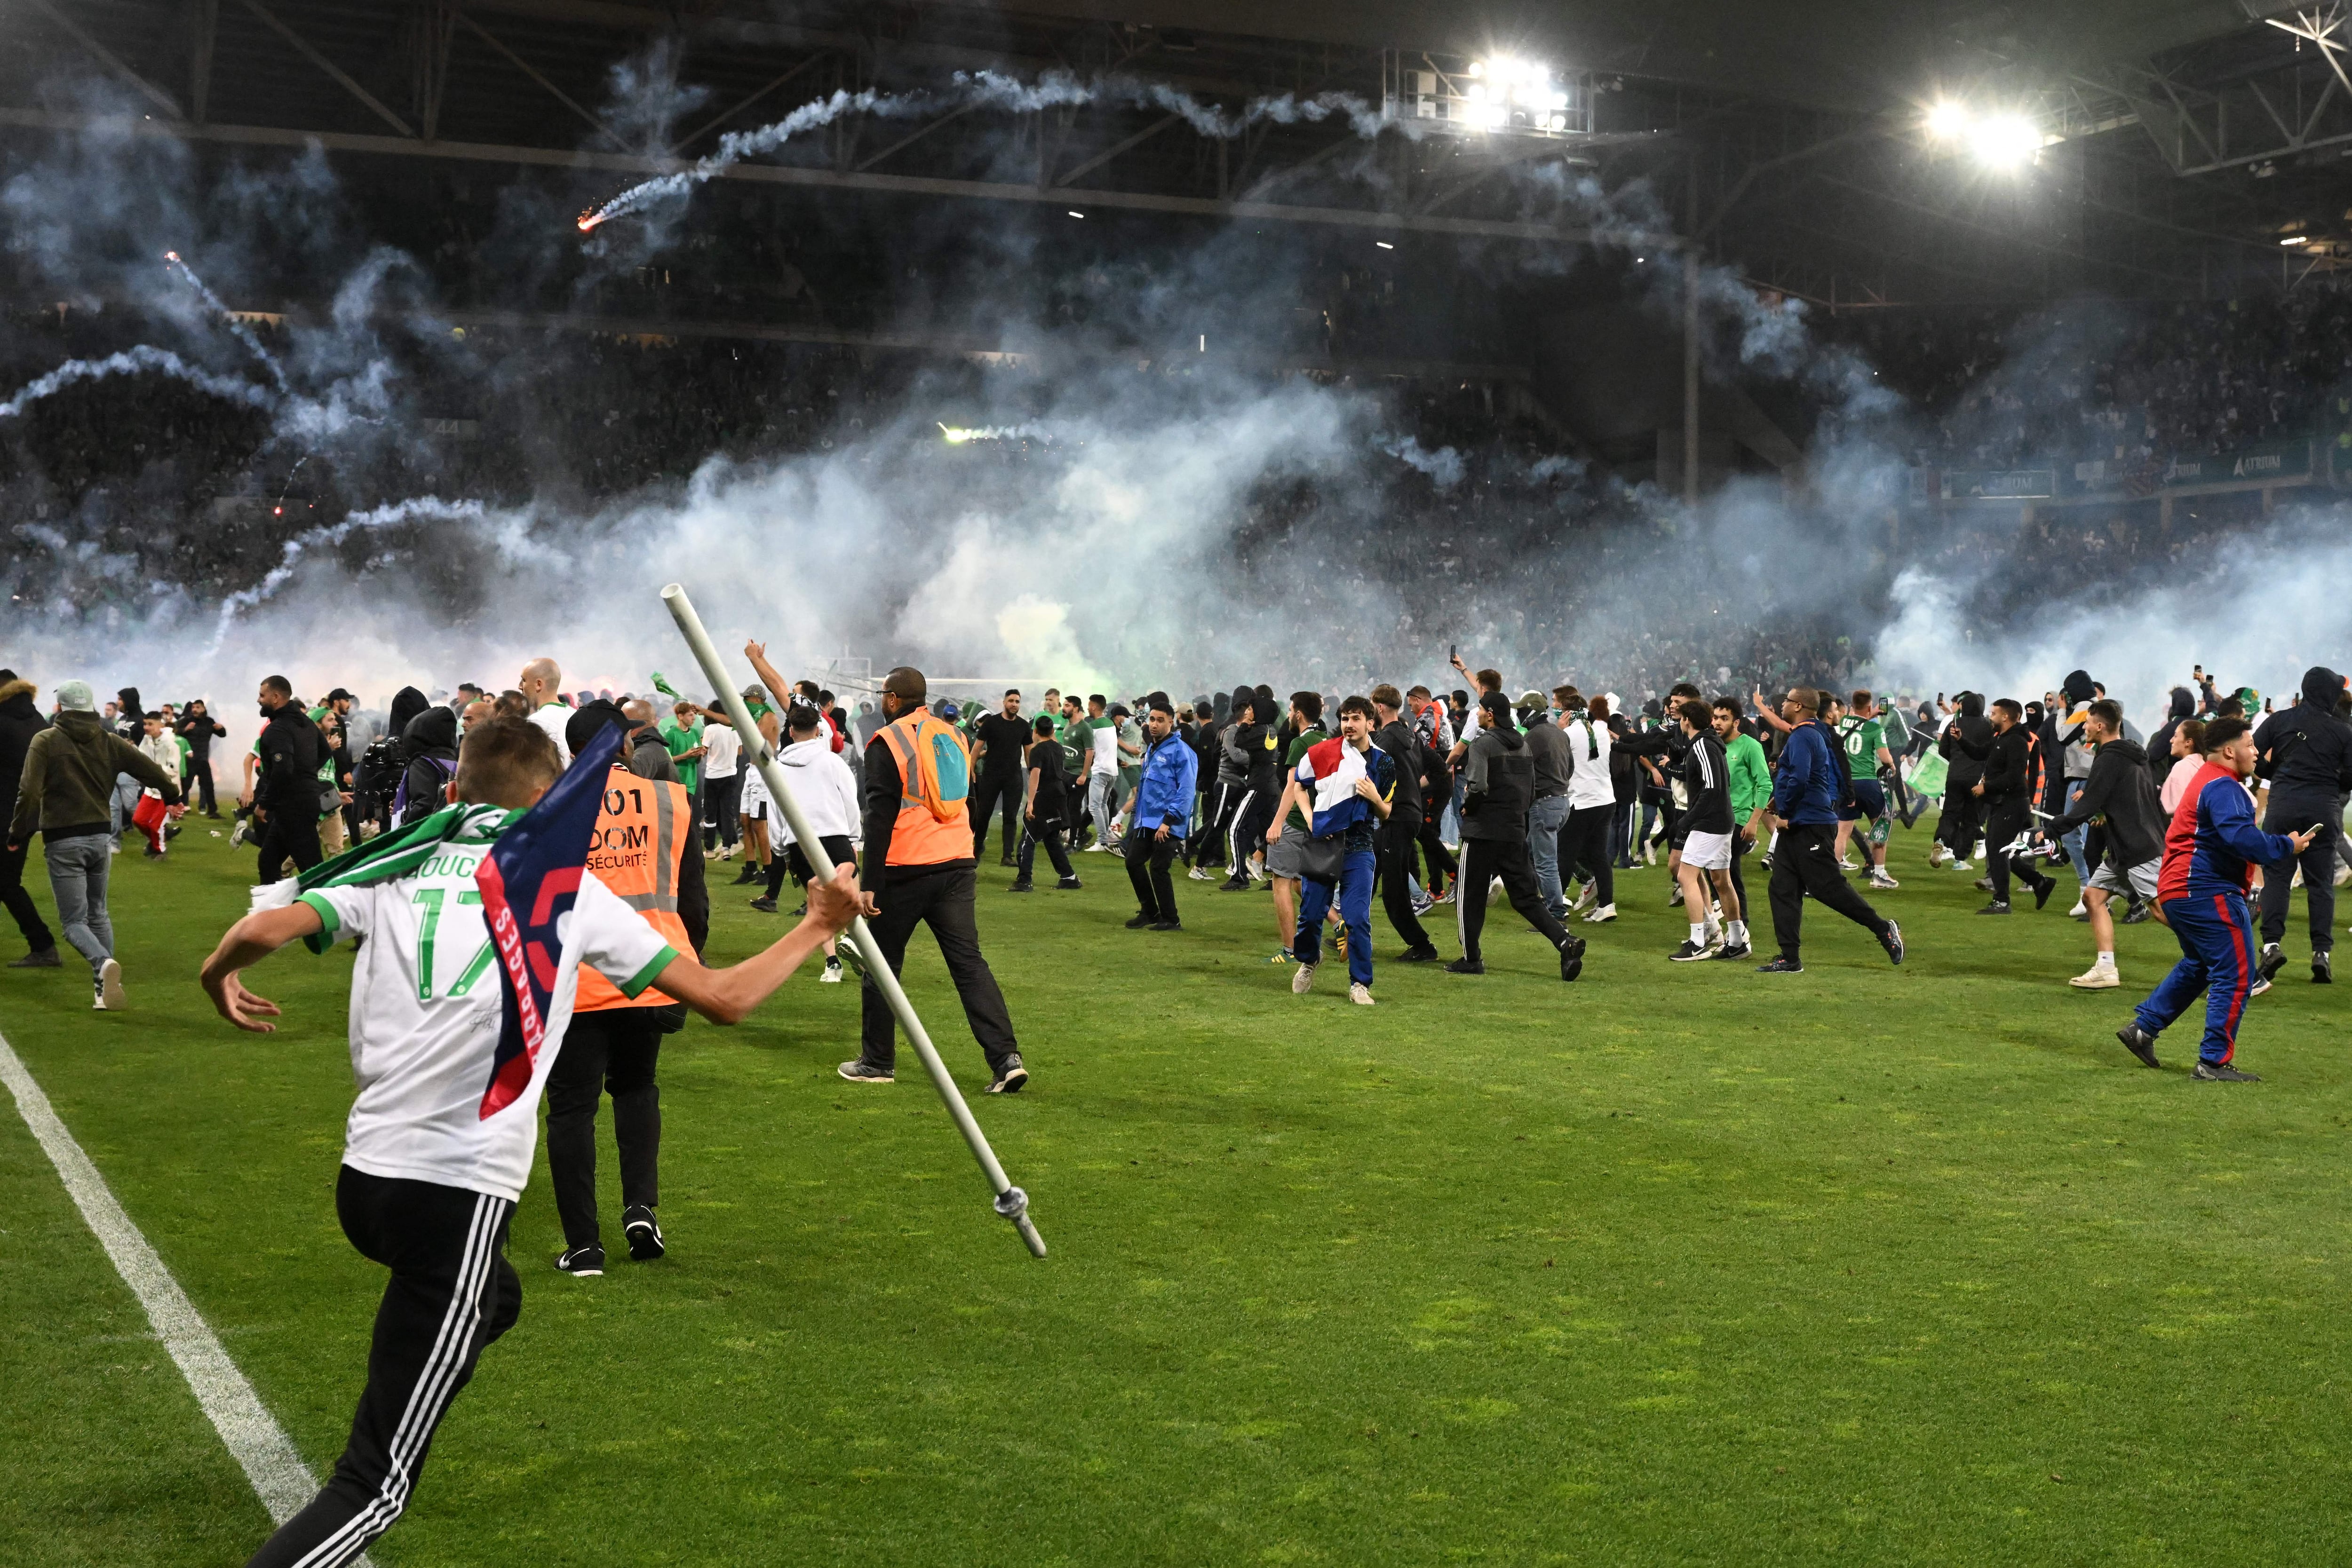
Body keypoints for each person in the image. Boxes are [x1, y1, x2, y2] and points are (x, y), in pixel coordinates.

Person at [197, 714, 857, 1565]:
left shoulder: (396, 864)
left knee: (493, 1299)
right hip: (456, 1189)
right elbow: (724, 997)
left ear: (456, 789)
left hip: (365, 1181)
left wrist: (218, 977)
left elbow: (260, 929)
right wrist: (814, 922)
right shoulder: (571, 894)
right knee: (374, 1485)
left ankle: (424, 1359)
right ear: (553, 802)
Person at [544, 702, 713, 1275]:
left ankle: (584, 1245)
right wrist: (692, 962)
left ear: (573, 753)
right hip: (652, 968)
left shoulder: (548, 809)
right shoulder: (669, 798)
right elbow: (691, 896)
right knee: (638, 1087)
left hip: (576, 979)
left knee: (572, 1108)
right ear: (622, 746)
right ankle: (641, 1208)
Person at [837, 666, 1028, 1093]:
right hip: (957, 864)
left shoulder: (887, 741)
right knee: (969, 964)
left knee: (882, 966)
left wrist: (869, 882)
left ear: (891, 699)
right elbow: (970, 800)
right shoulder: (954, 734)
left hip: (906, 869)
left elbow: (880, 815)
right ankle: (1006, 1058)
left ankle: (877, 1062)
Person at [2117, 717, 2314, 1081]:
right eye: (2251, 744)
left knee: (2200, 964)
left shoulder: (2207, 780)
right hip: (2206, 890)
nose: (2257, 752)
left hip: (2181, 889)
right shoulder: (2224, 786)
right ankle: (2213, 1063)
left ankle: (2143, 1029)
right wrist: (2289, 844)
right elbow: (2242, 839)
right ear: (2229, 750)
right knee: (2236, 975)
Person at [6, 679, 179, 1008]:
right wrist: (173, 797)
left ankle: (102, 963)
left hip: (63, 838)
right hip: (101, 837)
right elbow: (151, 771)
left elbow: (28, 792)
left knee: (74, 923)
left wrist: (17, 833)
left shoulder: (45, 740)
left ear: (62, 707)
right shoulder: (110, 740)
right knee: (99, 913)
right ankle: (104, 990)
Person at [1757, 688, 1904, 974]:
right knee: (1783, 889)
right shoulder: (1812, 733)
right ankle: (1790, 958)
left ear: (1798, 706)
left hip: (1809, 823)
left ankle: (1883, 928)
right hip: (1804, 821)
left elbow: (1799, 778)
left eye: (1787, 701)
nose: (1783, 705)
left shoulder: (1804, 736)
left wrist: (1785, 811)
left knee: (1827, 888)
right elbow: (1803, 776)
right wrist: (1780, 798)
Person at [1450, 690, 1584, 981]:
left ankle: (1471, 958)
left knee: (1469, 896)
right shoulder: (1523, 747)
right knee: (1526, 898)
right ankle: (1564, 942)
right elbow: (1530, 788)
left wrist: (1467, 807)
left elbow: (1478, 786)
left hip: (1483, 831)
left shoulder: (1482, 744)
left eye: (1480, 709)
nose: (1476, 713)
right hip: (1513, 830)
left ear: (1489, 714)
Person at [2039, 698, 2166, 990]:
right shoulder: (2134, 754)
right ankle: (2106, 969)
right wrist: (2104, 814)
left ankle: (2223, 961)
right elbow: (2133, 797)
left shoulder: (2108, 757)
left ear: (2099, 725)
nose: (2084, 727)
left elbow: (2088, 804)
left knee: (2162, 911)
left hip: (2138, 848)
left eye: (2087, 722)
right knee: (2093, 897)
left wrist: (2050, 830)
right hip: (2128, 846)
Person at [1287, 696, 1396, 1004]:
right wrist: (1309, 818)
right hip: (1323, 843)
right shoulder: (1322, 751)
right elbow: (1298, 785)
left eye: (1356, 718)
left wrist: (1375, 797)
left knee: (1358, 917)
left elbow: (1388, 813)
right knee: (1310, 915)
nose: (1349, 725)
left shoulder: (1384, 762)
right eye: (1345, 719)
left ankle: (1360, 984)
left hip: (1360, 847)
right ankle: (1310, 960)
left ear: (1370, 723)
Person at [2251, 665, 2352, 985]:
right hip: (2323, 806)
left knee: (2278, 877)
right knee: (2320, 882)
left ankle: (2271, 946)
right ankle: (2321, 953)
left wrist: (2274, 774)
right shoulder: (2344, 731)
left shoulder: (2280, 720)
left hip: (2283, 805)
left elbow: (2252, 753)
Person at [751, 704, 861, 988]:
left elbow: (774, 811)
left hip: (799, 841)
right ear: (818, 731)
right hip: (835, 835)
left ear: (790, 731)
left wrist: (782, 851)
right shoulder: (833, 762)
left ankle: (832, 963)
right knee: (849, 890)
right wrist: (854, 837)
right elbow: (850, 800)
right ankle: (853, 937)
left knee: (818, 904)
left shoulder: (775, 768)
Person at [1661, 699, 1749, 961]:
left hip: (1708, 824)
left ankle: (1698, 941)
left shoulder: (1701, 745)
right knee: (1722, 881)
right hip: (1722, 821)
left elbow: (1711, 789)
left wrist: (1690, 819)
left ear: (1686, 721)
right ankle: (1736, 941)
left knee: (1686, 876)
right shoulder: (1713, 744)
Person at [1369, 685, 1440, 961]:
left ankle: (1423, 946)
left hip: (1397, 816)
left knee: (1394, 891)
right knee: (1367, 868)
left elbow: (1371, 770)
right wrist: (1417, 791)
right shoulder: (1410, 734)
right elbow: (1439, 768)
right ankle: (1351, 931)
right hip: (1406, 814)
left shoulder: (1387, 739)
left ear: (1379, 708)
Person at [1119, 697, 1197, 930]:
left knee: (1158, 868)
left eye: (1160, 720)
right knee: (1133, 862)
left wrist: (1169, 821)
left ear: (1171, 723)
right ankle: (1150, 912)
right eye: (1152, 719)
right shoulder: (1153, 748)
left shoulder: (1182, 752)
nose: (1154, 724)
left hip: (1167, 822)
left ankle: (1171, 919)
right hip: (1147, 820)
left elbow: (1186, 790)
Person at [1263, 692, 1330, 960]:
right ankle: (1338, 924)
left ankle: (1291, 950)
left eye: (1291, 710)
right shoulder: (1327, 739)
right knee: (1306, 881)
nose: (1289, 715)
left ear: (1299, 714)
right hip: (1319, 821)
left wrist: (1276, 824)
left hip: (1296, 820)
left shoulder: (1300, 743)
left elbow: (1293, 787)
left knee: (1281, 881)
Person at [1975, 698, 2058, 915]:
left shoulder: (2019, 741)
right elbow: (1980, 753)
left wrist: (1987, 788)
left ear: (2005, 717)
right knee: (2000, 851)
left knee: (1998, 850)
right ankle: (2039, 882)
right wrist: (1958, 740)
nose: (1990, 717)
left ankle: (2003, 901)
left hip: (2012, 803)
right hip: (2005, 802)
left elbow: (2014, 776)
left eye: (1993, 713)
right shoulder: (2002, 738)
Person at [0, 672, 59, 968]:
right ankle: (43, 945)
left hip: (5, 816)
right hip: (28, 816)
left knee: (7, 884)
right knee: (7, 882)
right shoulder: (38, 721)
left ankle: (44, 945)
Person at [254, 674, 326, 886]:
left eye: (262, 695)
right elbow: (324, 753)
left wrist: (264, 803)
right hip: (303, 802)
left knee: (313, 871)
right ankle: (270, 912)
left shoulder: (278, 729)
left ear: (275, 697)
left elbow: (283, 770)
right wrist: (306, 776)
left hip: (294, 806)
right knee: (267, 861)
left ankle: (328, 914)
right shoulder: (307, 723)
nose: (259, 700)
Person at [1556, 690, 1621, 924]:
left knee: (1564, 854)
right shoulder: (1602, 731)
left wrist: (1558, 730)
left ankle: (1556, 911)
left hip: (1581, 801)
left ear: (1566, 711)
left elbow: (1557, 761)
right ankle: (1606, 905)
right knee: (1598, 855)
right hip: (1605, 800)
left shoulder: (1569, 733)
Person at [1835, 690, 1901, 891]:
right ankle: (1879, 875)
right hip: (1868, 783)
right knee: (1879, 826)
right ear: (1869, 706)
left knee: (1843, 831)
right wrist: (1892, 766)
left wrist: (1868, 715)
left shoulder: (1841, 722)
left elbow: (1855, 724)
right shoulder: (1874, 729)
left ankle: (1832, 875)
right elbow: (1885, 758)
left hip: (1846, 784)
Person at [1716, 697, 1771, 934]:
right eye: (1716, 718)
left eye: (1724, 719)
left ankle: (1740, 926)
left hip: (1739, 818)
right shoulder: (1714, 745)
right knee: (1716, 872)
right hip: (1716, 818)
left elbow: (1765, 784)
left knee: (1728, 872)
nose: (1718, 723)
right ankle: (1730, 921)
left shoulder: (1750, 746)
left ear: (1736, 722)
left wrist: (1753, 821)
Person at [1011, 713, 1082, 892]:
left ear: (1035, 731)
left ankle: (1024, 880)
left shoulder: (1038, 751)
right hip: (1059, 795)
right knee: (1051, 838)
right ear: (1052, 731)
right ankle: (1069, 877)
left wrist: (1030, 803)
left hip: (1044, 796)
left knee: (1028, 837)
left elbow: (1035, 775)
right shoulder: (1058, 748)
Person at [969, 689, 1031, 866]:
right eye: (1011, 701)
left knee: (1011, 817)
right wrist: (971, 770)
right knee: (983, 815)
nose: (1014, 704)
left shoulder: (1023, 726)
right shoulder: (991, 723)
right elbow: (976, 749)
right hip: (991, 776)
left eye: (1018, 702)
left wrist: (1033, 772)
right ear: (1004, 702)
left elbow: (1029, 754)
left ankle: (1007, 856)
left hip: (1014, 777)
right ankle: (977, 849)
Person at [1932, 693, 1991, 871]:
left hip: (1954, 776)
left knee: (1950, 814)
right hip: (1977, 779)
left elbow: (1942, 751)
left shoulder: (1954, 724)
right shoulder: (1987, 726)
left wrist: (1956, 759)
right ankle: (1960, 860)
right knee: (1971, 820)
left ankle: (1941, 840)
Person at [699, 701, 742, 859]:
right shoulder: (735, 728)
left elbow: (704, 750)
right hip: (731, 775)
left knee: (711, 813)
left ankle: (709, 850)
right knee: (727, 813)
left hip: (713, 776)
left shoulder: (710, 729)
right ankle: (727, 848)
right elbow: (740, 751)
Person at [175, 697, 226, 816]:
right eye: (193, 707)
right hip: (190, 760)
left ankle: (213, 811)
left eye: (198, 707)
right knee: (185, 786)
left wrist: (221, 729)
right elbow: (175, 731)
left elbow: (222, 735)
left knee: (209, 786)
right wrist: (185, 730)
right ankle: (178, 809)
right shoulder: (187, 721)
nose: (195, 710)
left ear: (203, 709)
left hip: (203, 760)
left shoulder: (209, 722)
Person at [519, 657, 571, 767]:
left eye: (524, 680)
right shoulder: (575, 714)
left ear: (538, 684)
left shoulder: (537, 721)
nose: (520, 687)